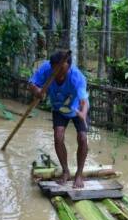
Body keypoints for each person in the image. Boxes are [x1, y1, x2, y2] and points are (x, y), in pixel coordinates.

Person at [29, 50, 90, 188]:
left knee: (82, 138)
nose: (59, 74)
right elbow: (32, 83)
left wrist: (83, 114)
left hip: (77, 108)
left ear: (69, 67)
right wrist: (37, 91)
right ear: (52, 66)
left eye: (63, 71)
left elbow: (83, 101)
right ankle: (66, 171)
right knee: (58, 137)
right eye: (56, 69)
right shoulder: (46, 68)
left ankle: (79, 175)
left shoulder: (77, 77)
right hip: (58, 107)